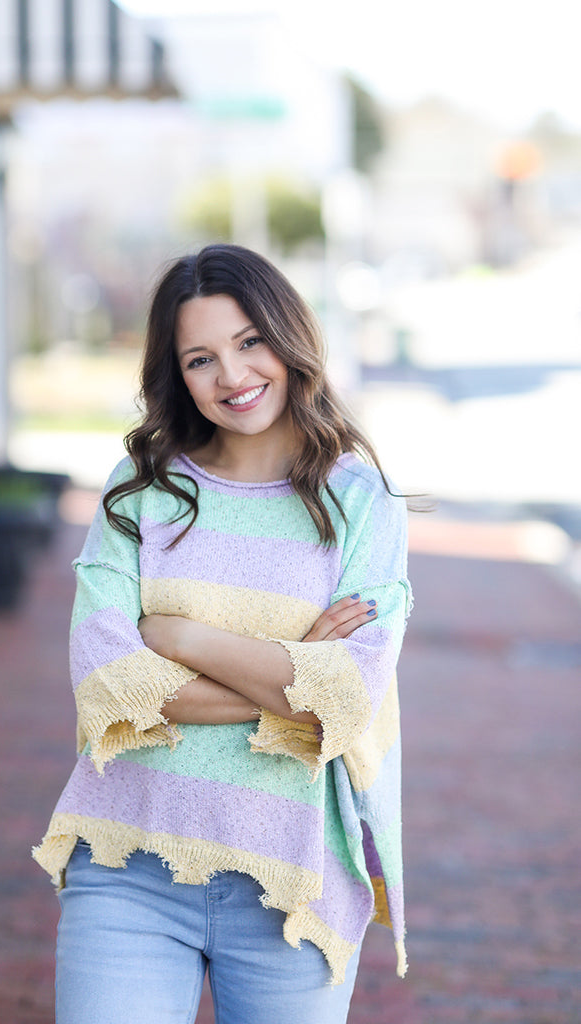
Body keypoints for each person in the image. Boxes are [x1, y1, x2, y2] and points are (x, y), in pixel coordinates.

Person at [33, 243, 412, 1024]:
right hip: (124, 861)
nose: (232, 377)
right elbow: (109, 688)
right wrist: (288, 666)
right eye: (201, 358)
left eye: (249, 343)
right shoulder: (141, 491)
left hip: (292, 883)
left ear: (289, 336)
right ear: (176, 372)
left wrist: (175, 636)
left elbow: (341, 702)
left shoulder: (360, 499)